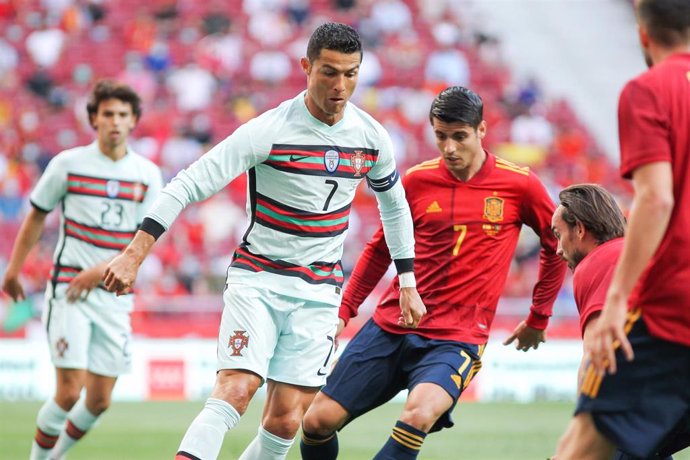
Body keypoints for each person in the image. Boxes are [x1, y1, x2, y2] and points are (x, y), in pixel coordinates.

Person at [102, 22, 424, 460]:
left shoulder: (370, 138)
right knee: (237, 387)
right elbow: (188, 183)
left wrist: (407, 280)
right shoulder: (268, 130)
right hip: (259, 278)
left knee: (287, 418)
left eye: (351, 73)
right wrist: (134, 254)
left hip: (319, 290)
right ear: (306, 67)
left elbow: (395, 206)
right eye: (329, 72)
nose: (340, 85)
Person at [300, 85, 567, 460]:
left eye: (460, 137)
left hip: (456, 336)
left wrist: (539, 316)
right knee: (315, 422)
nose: (450, 148)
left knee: (419, 414)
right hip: (393, 325)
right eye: (441, 136)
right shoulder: (415, 181)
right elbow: (380, 249)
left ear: (482, 131)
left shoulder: (518, 184)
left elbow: (556, 243)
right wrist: (345, 310)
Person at [554, 1, 690, 458]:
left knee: (583, 446)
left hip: (673, 307)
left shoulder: (650, 89)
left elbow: (656, 198)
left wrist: (616, 300)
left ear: (643, 34)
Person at [1, 80, 163, 460]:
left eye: (123, 114)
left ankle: (56, 455)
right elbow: (37, 216)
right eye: (108, 113)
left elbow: (148, 238)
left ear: (134, 121)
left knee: (100, 400)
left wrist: (100, 271)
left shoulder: (147, 174)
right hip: (70, 289)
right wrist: (14, 269)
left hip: (114, 294)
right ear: (93, 118)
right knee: (69, 390)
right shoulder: (67, 164)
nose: (115, 122)